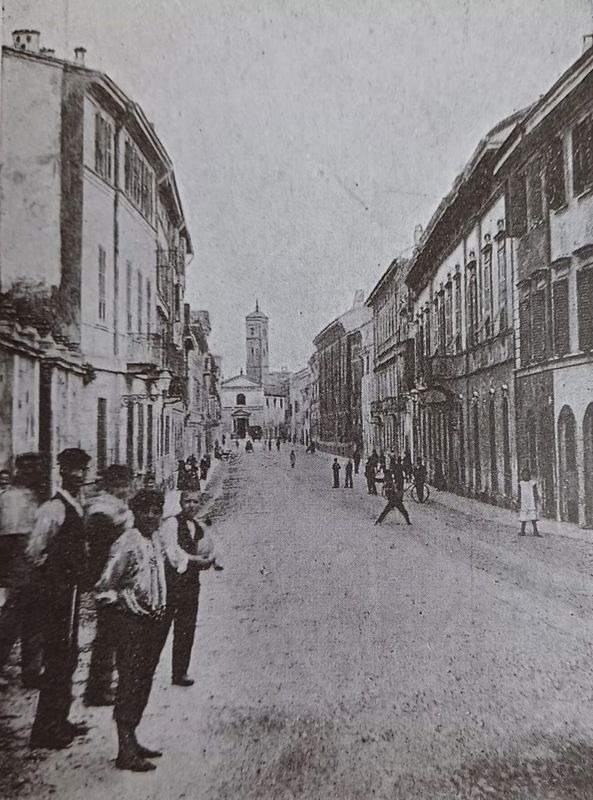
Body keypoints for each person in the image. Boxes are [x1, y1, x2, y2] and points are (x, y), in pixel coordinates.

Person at [95, 489, 168, 771]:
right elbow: (105, 586)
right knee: (130, 682)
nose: (151, 516)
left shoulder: (155, 540)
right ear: (135, 513)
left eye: (156, 511)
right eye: (145, 511)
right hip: (131, 624)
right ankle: (124, 750)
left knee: (143, 680)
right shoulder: (127, 542)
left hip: (152, 622)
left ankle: (132, 739)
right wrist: (124, 604)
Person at [28, 448, 91, 750]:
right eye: (74, 469)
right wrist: (54, 576)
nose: (80, 475)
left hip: (71, 591)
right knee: (57, 657)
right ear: (63, 471)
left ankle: (60, 719)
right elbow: (35, 550)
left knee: (68, 656)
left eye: (83, 469)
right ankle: (44, 730)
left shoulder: (77, 503)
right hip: (58, 593)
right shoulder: (53, 508)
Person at [84, 465, 134, 707]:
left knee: (113, 633)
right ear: (109, 485)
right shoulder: (102, 511)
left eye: (125, 485)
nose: (123, 490)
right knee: (107, 634)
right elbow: (101, 552)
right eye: (119, 485)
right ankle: (98, 689)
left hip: (117, 577)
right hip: (108, 579)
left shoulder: (115, 507)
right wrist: (105, 581)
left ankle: (103, 684)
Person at [159, 490, 219, 688]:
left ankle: (180, 672)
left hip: (191, 584)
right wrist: (196, 561)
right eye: (187, 501)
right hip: (171, 584)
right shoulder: (172, 523)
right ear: (180, 502)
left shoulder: (198, 526)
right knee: (161, 629)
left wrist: (211, 558)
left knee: (186, 628)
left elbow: (208, 547)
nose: (191, 505)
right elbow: (172, 553)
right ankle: (145, 669)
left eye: (195, 502)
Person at [0, 453, 46, 688]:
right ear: (19, 470)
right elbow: (7, 540)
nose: (33, 473)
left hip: (36, 564)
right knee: (10, 621)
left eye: (36, 469)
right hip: (18, 563)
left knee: (36, 619)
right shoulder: (10, 498)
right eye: (28, 469)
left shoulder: (38, 496)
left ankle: (31, 672)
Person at [518, 467, 542, 537]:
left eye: (527, 475)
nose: (525, 476)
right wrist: (519, 501)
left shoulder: (532, 483)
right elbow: (519, 493)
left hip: (531, 502)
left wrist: (536, 499)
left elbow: (535, 492)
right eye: (524, 475)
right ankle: (522, 531)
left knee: (533, 518)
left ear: (529, 475)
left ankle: (535, 531)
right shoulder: (521, 483)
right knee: (523, 518)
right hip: (524, 502)